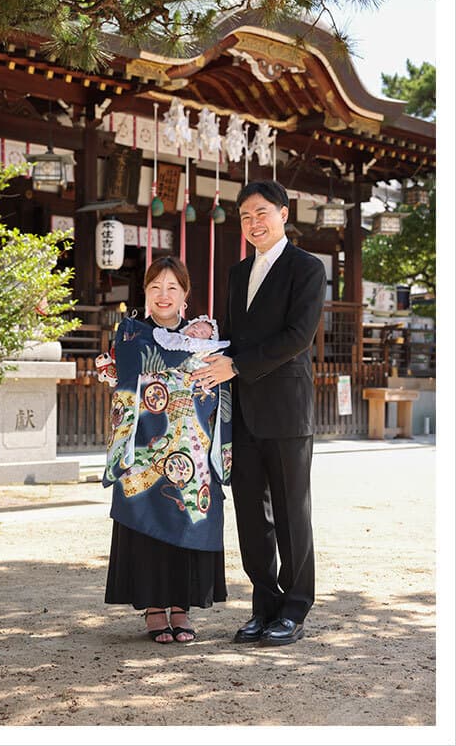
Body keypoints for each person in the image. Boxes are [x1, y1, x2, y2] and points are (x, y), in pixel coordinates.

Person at [189, 180, 327, 647]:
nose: (253, 223)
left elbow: (298, 336)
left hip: (287, 411)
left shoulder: (307, 268)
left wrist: (237, 364)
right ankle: (264, 605)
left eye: (262, 212)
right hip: (241, 411)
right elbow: (231, 338)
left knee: (291, 511)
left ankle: (295, 607)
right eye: (246, 216)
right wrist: (202, 344)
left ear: (284, 214)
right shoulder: (235, 274)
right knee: (251, 512)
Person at [96, 256, 233, 644]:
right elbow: (118, 381)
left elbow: (216, 387)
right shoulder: (130, 335)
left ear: (185, 295)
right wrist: (111, 370)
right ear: (145, 292)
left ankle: (181, 608)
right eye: (156, 287)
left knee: (187, 511)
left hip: (190, 446)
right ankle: (155, 609)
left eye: (173, 288)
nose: (163, 295)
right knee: (146, 520)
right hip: (144, 445)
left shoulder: (204, 339)